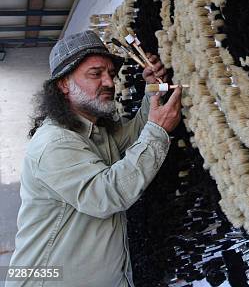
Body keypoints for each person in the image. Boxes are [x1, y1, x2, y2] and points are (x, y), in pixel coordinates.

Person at [6, 30, 182, 287]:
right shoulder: (54, 143)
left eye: (111, 74)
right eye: (95, 74)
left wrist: (152, 91)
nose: (109, 83)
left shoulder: (95, 129)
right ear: (63, 85)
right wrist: (158, 132)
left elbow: (135, 137)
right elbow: (107, 194)